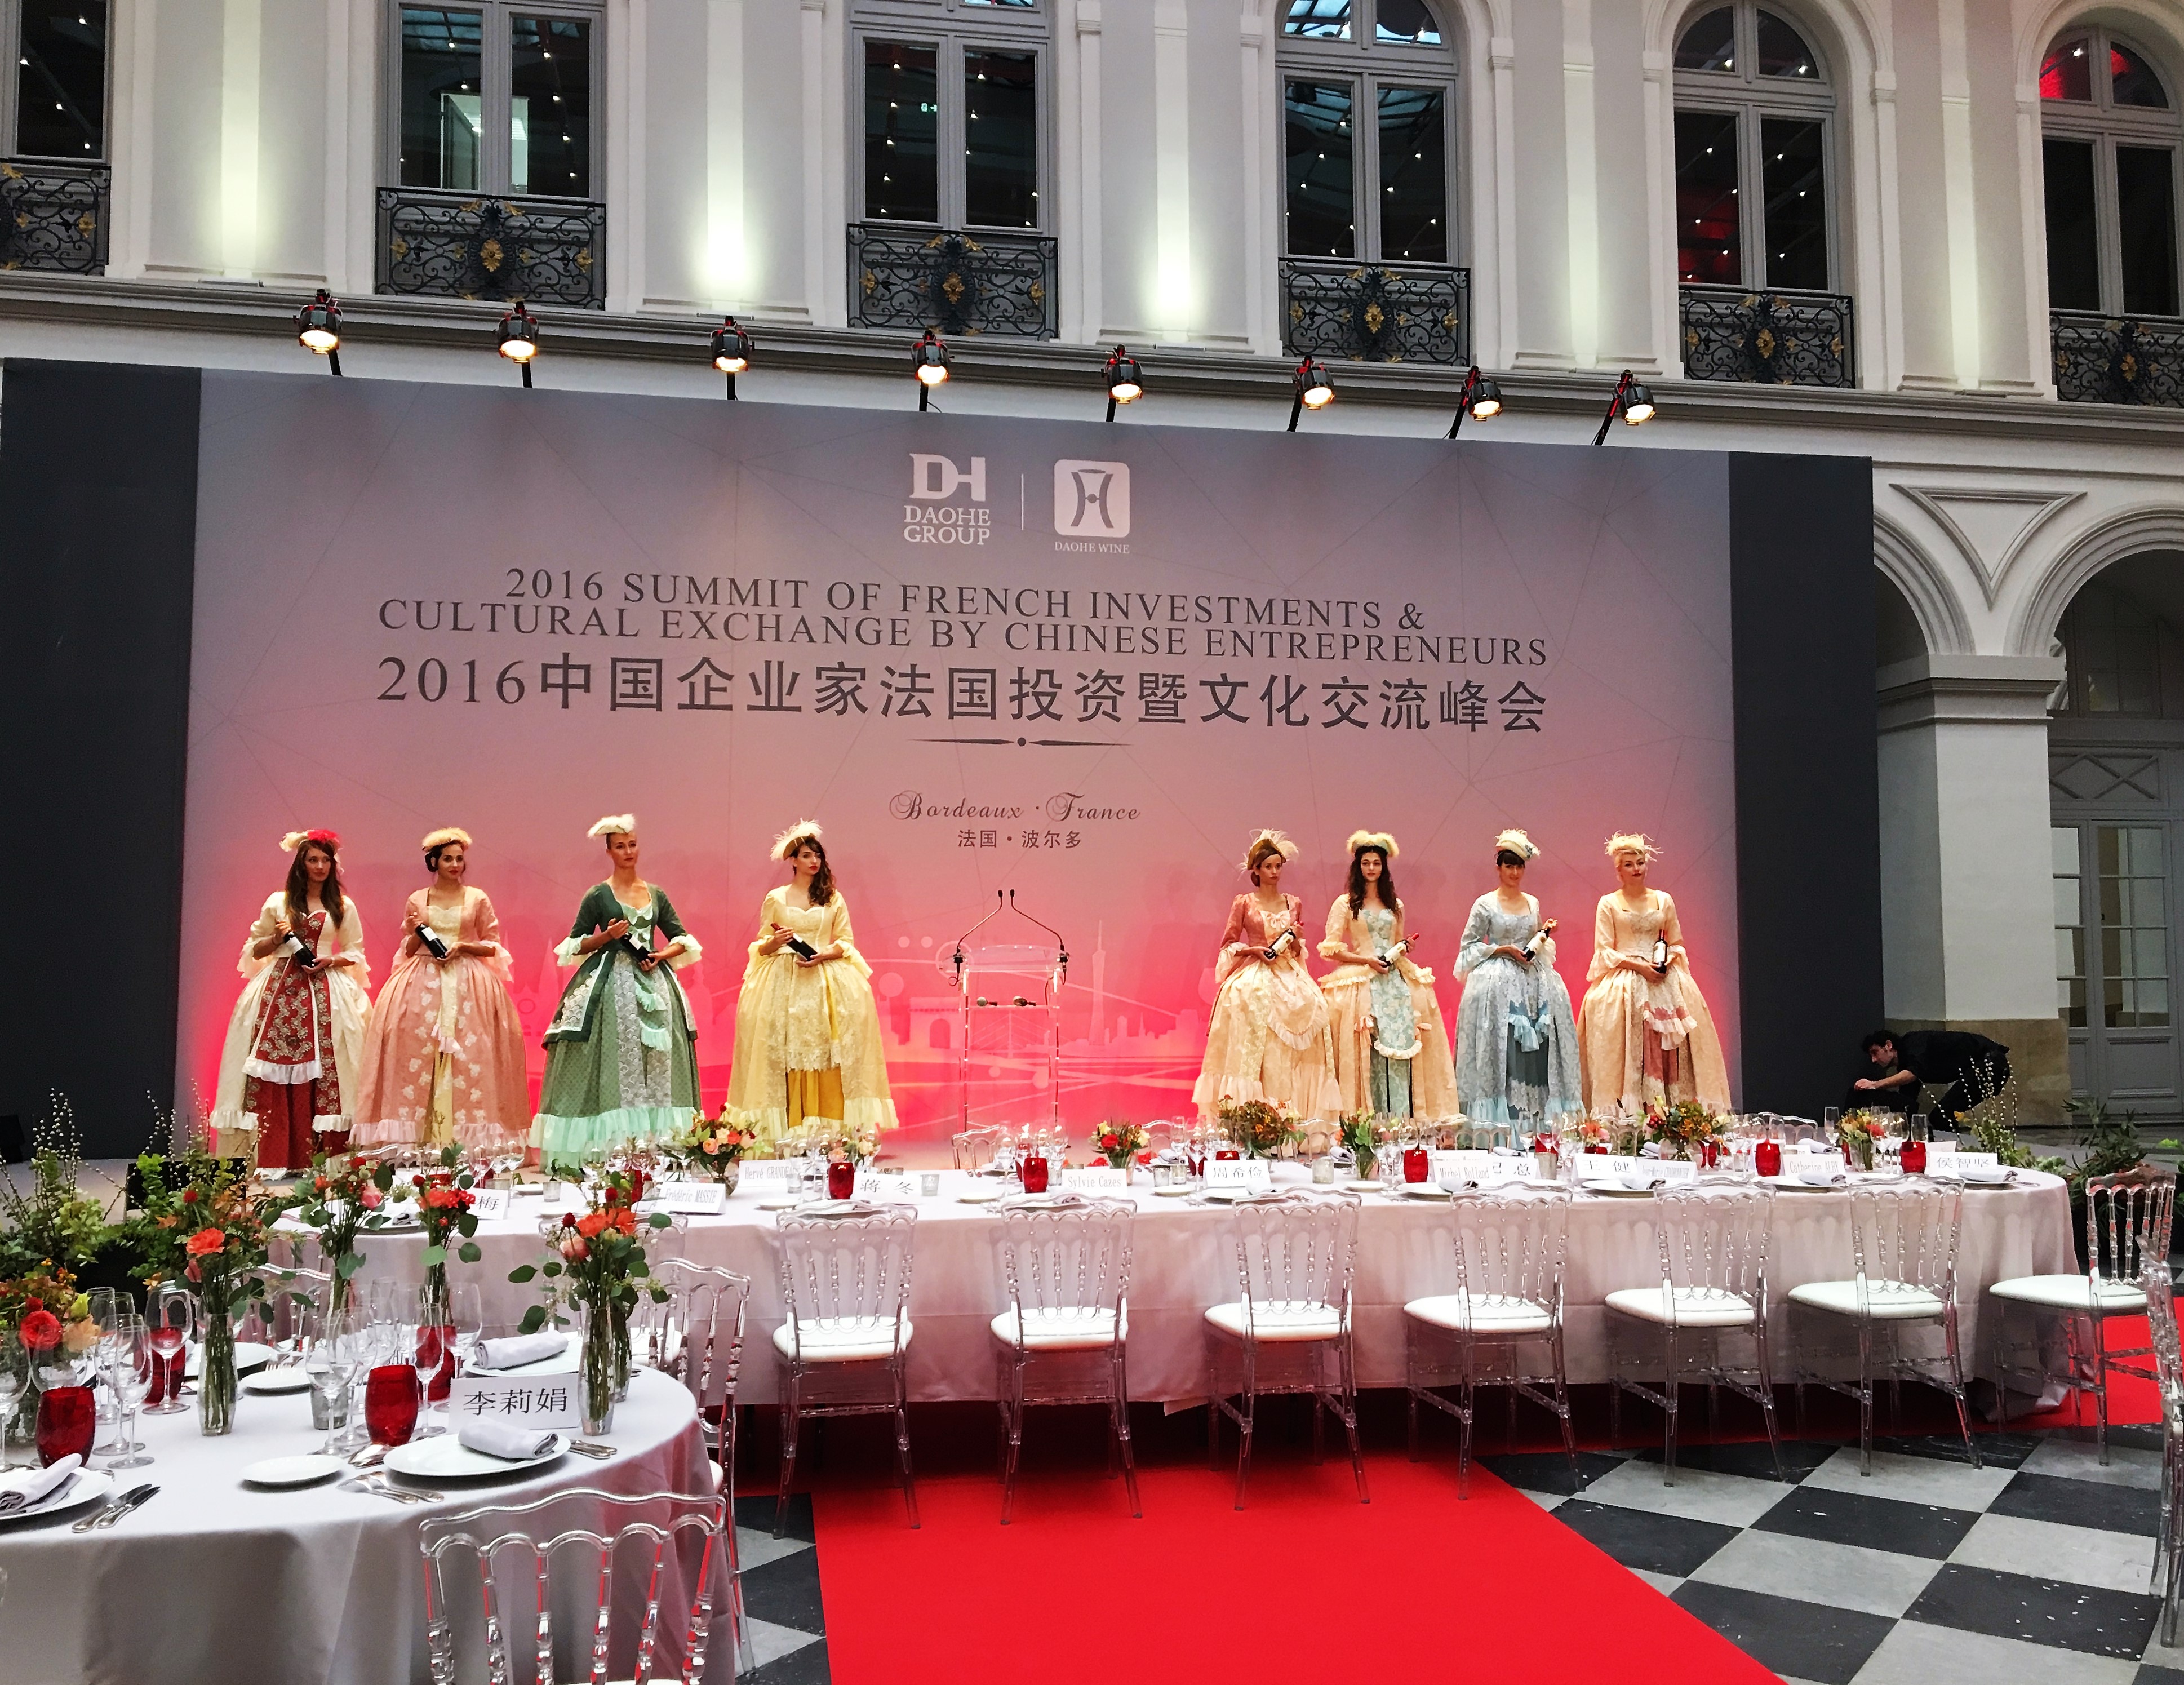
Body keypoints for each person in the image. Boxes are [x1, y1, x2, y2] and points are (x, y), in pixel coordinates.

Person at [532, 815, 704, 1164]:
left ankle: (659, 1150)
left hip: (654, 980)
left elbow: (682, 938)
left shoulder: (655, 893)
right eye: (621, 846)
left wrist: (661, 955)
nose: (628, 851)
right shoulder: (598, 895)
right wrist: (607, 936)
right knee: (612, 1056)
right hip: (611, 983)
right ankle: (610, 1150)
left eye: (633, 845)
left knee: (659, 1059)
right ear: (609, 851)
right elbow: (575, 944)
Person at [721, 820, 898, 1148]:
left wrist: (823, 954)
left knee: (828, 1050)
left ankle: (831, 1134)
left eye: (817, 855)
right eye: (806, 855)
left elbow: (845, 941)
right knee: (780, 1050)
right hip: (782, 980)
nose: (813, 861)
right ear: (793, 860)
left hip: (824, 979)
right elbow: (762, 945)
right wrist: (777, 941)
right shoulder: (776, 898)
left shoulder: (832, 897)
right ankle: (784, 1133)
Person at [353, 827, 530, 1151]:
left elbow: (492, 945)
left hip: (468, 982)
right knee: (416, 1051)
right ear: (434, 862)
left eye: (459, 859)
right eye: (448, 859)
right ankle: (420, 1138)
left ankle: (464, 1139)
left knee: (470, 1054)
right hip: (422, 979)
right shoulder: (418, 899)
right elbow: (409, 950)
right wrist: (415, 932)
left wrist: (464, 947)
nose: (455, 865)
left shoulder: (477, 898)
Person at [208, 829, 371, 1170]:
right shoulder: (278, 902)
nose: (320, 867)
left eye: (326, 860)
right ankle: (271, 1156)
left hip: (327, 989)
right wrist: (276, 939)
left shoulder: (343, 906)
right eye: (313, 860)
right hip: (277, 990)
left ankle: (328, 1158)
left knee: (333, 1063)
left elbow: (355, 951)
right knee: (270, 1069)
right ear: (301, 863)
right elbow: (254, 950)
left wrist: (331, 960)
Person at [1193, 830, 1342, 1123]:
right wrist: (1254, 950)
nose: (1275, 872)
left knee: (1315, 1007)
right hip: (1256, 973)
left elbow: (1298, 950)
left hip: (1289, 971)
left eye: (1278, 866)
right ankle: (1255, 1115)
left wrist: (1295, 938)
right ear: (1257, 870)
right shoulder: (1244, 903)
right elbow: (1229, 944)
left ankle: (1298, 1116)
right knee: (1250, 1007)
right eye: (1268, 867)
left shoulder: (1293, 903)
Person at [1576, 832, 1730, 1115]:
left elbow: (1676, 942)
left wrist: (1666, 962)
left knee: (1671, 1042)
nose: (1636, 869)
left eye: (1640, 863)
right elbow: (1605, 951)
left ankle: (1673, 1114)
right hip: (1626, 979)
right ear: (1619, 870)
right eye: (1629, 864)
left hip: (1664, 977)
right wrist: (1640, 967)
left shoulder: (1663, 900)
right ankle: (1629, 1116)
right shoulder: (1608, 903)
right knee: (1627, 1042)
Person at [1317, 830, 1459, 1122]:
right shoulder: (1346, 904)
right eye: (1366, 863)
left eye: (1376, 863)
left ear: (1384, 867)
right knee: (1366, 1044)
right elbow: (1331, 949)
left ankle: (1403, 1118)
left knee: (1411, 1030)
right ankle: (1366, 1118)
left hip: (1395, 977)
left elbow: (1396, 942)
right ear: (1358, 866)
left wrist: (1404, 947)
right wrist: (1366, 960)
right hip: (1362, 976)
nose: (1371, 868)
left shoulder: (1396, 904)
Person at [1452, 829, 1583, 1123]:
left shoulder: (1532, 902)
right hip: (1497, 980)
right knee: (1506, 1043)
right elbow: (1468, 946)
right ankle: (1501, 1121)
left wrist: (1544, 935)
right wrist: (1503, 949)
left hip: (1534, 980)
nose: (1514, 872)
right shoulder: (1485, 904)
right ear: (1498, 867)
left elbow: (1536, 939)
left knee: (1539, 1042)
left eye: (1519, 866)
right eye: (1509, 866)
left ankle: (1538, 1122)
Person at [1850, 1028, 2012, 1119]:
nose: (1873, 1060)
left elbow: (1912, 1074)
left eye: (1875, 1052)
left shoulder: (1912, 1044)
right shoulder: (1906, 1063)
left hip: (1990, 1063)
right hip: (1985, 1064)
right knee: (1942, 1117)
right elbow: (1907, 1103)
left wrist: (1875, 1085)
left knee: (1941, 1117)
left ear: (1888, 1045)